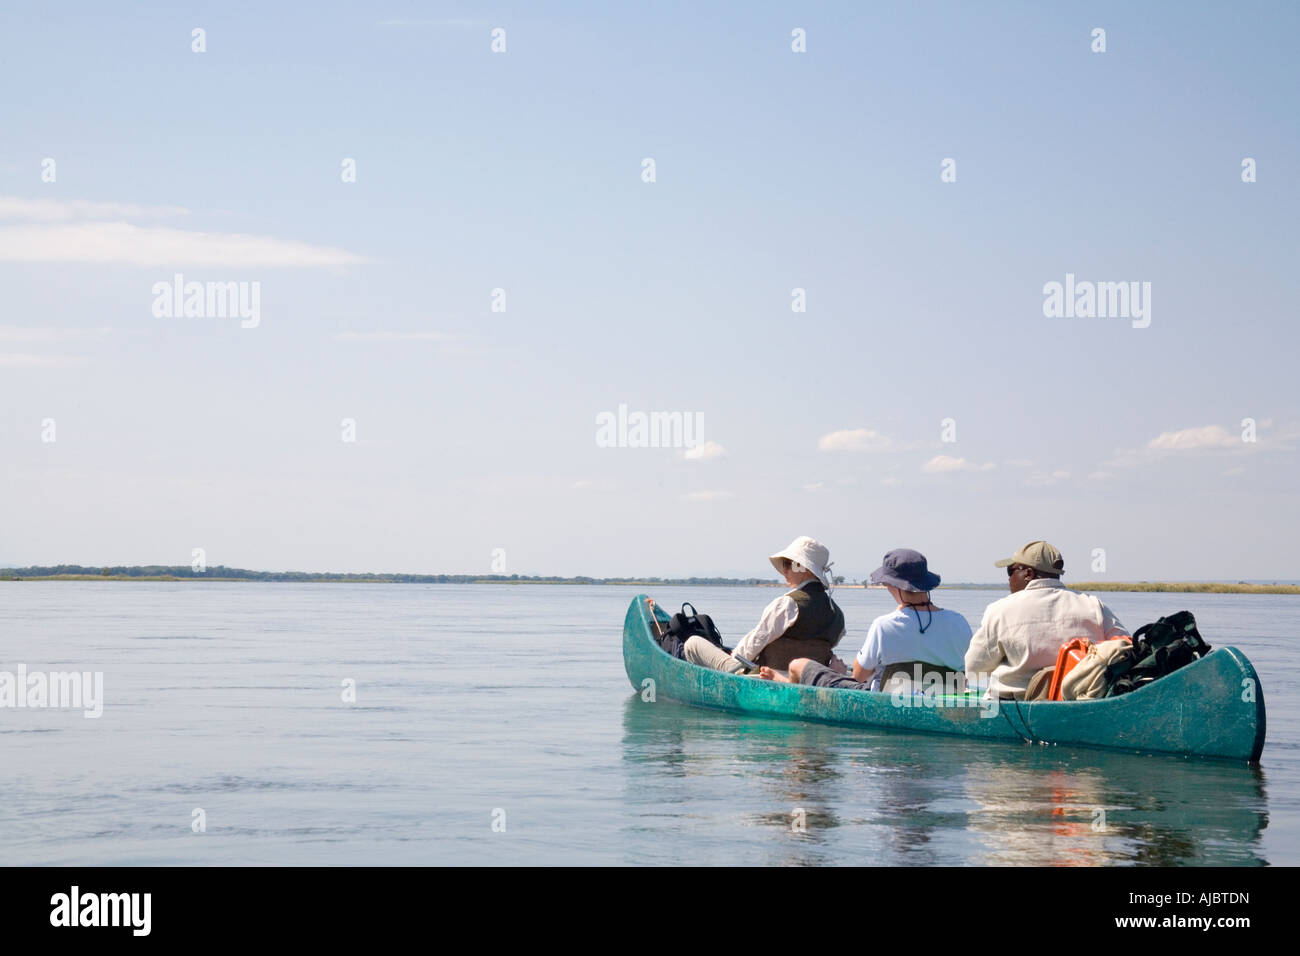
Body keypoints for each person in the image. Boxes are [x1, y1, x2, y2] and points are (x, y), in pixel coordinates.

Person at [761, 549, 970, 694]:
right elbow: (969, 673)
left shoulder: (885, 626)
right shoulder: (959, 622)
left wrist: (838, 673)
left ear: (893, 585)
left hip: (883, 698)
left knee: (798, 664)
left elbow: (859, 678)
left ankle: (787, 683)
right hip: (936, 697)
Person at [963, 540, 1130, 700]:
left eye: (1010, 571)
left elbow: (974, 669)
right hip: (1083, 698)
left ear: (1028, 573)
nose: (1009, 579)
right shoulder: (1094, 605)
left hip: (1017, 704)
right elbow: (1125, 647)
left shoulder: (1000, 609)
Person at [683, 536, 845, 673]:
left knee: (692, 643)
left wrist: (736, 656)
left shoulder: (788, 604)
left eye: (789, 564)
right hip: (806, 679)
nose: (784, 570)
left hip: (764, 676)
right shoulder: (837, 614)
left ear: (806, 569)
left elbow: (756, 641)